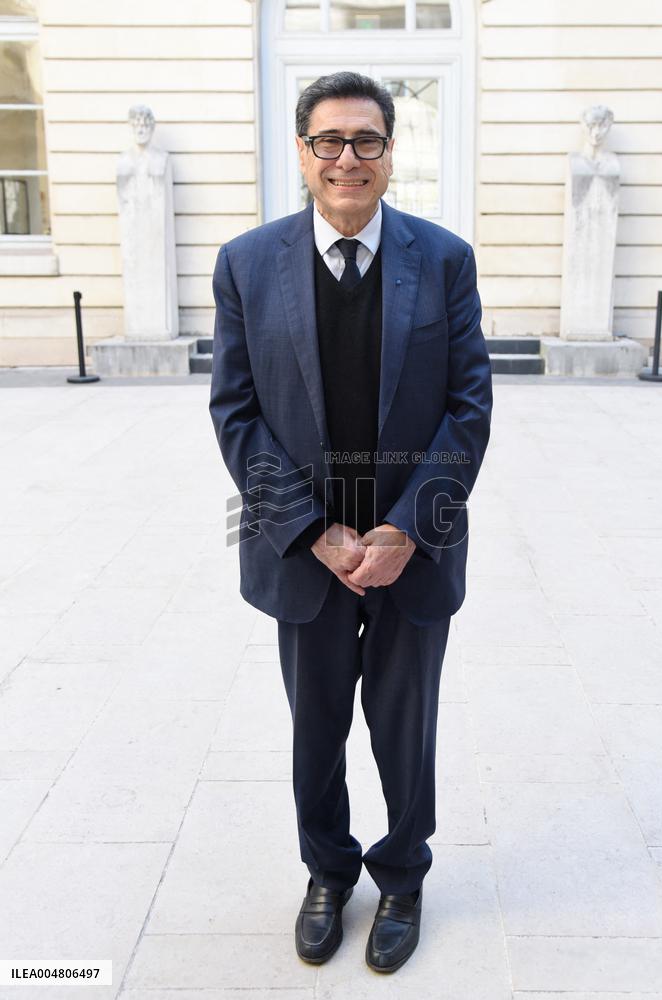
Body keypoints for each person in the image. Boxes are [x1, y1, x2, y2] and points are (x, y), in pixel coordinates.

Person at [209, 71, 492, 974]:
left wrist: (406, 528)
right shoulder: (247, 264)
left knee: (406, 725)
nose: (347, 159)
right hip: (306, 550)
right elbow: (237, 414)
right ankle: (328, 872)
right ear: (303, 153)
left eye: (366, 140)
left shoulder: (443, 259)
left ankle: (402, 876)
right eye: (328, 141)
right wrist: (318, 533)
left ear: (390, 151)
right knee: (316, 722)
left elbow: (469, 405)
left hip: (411, 541)